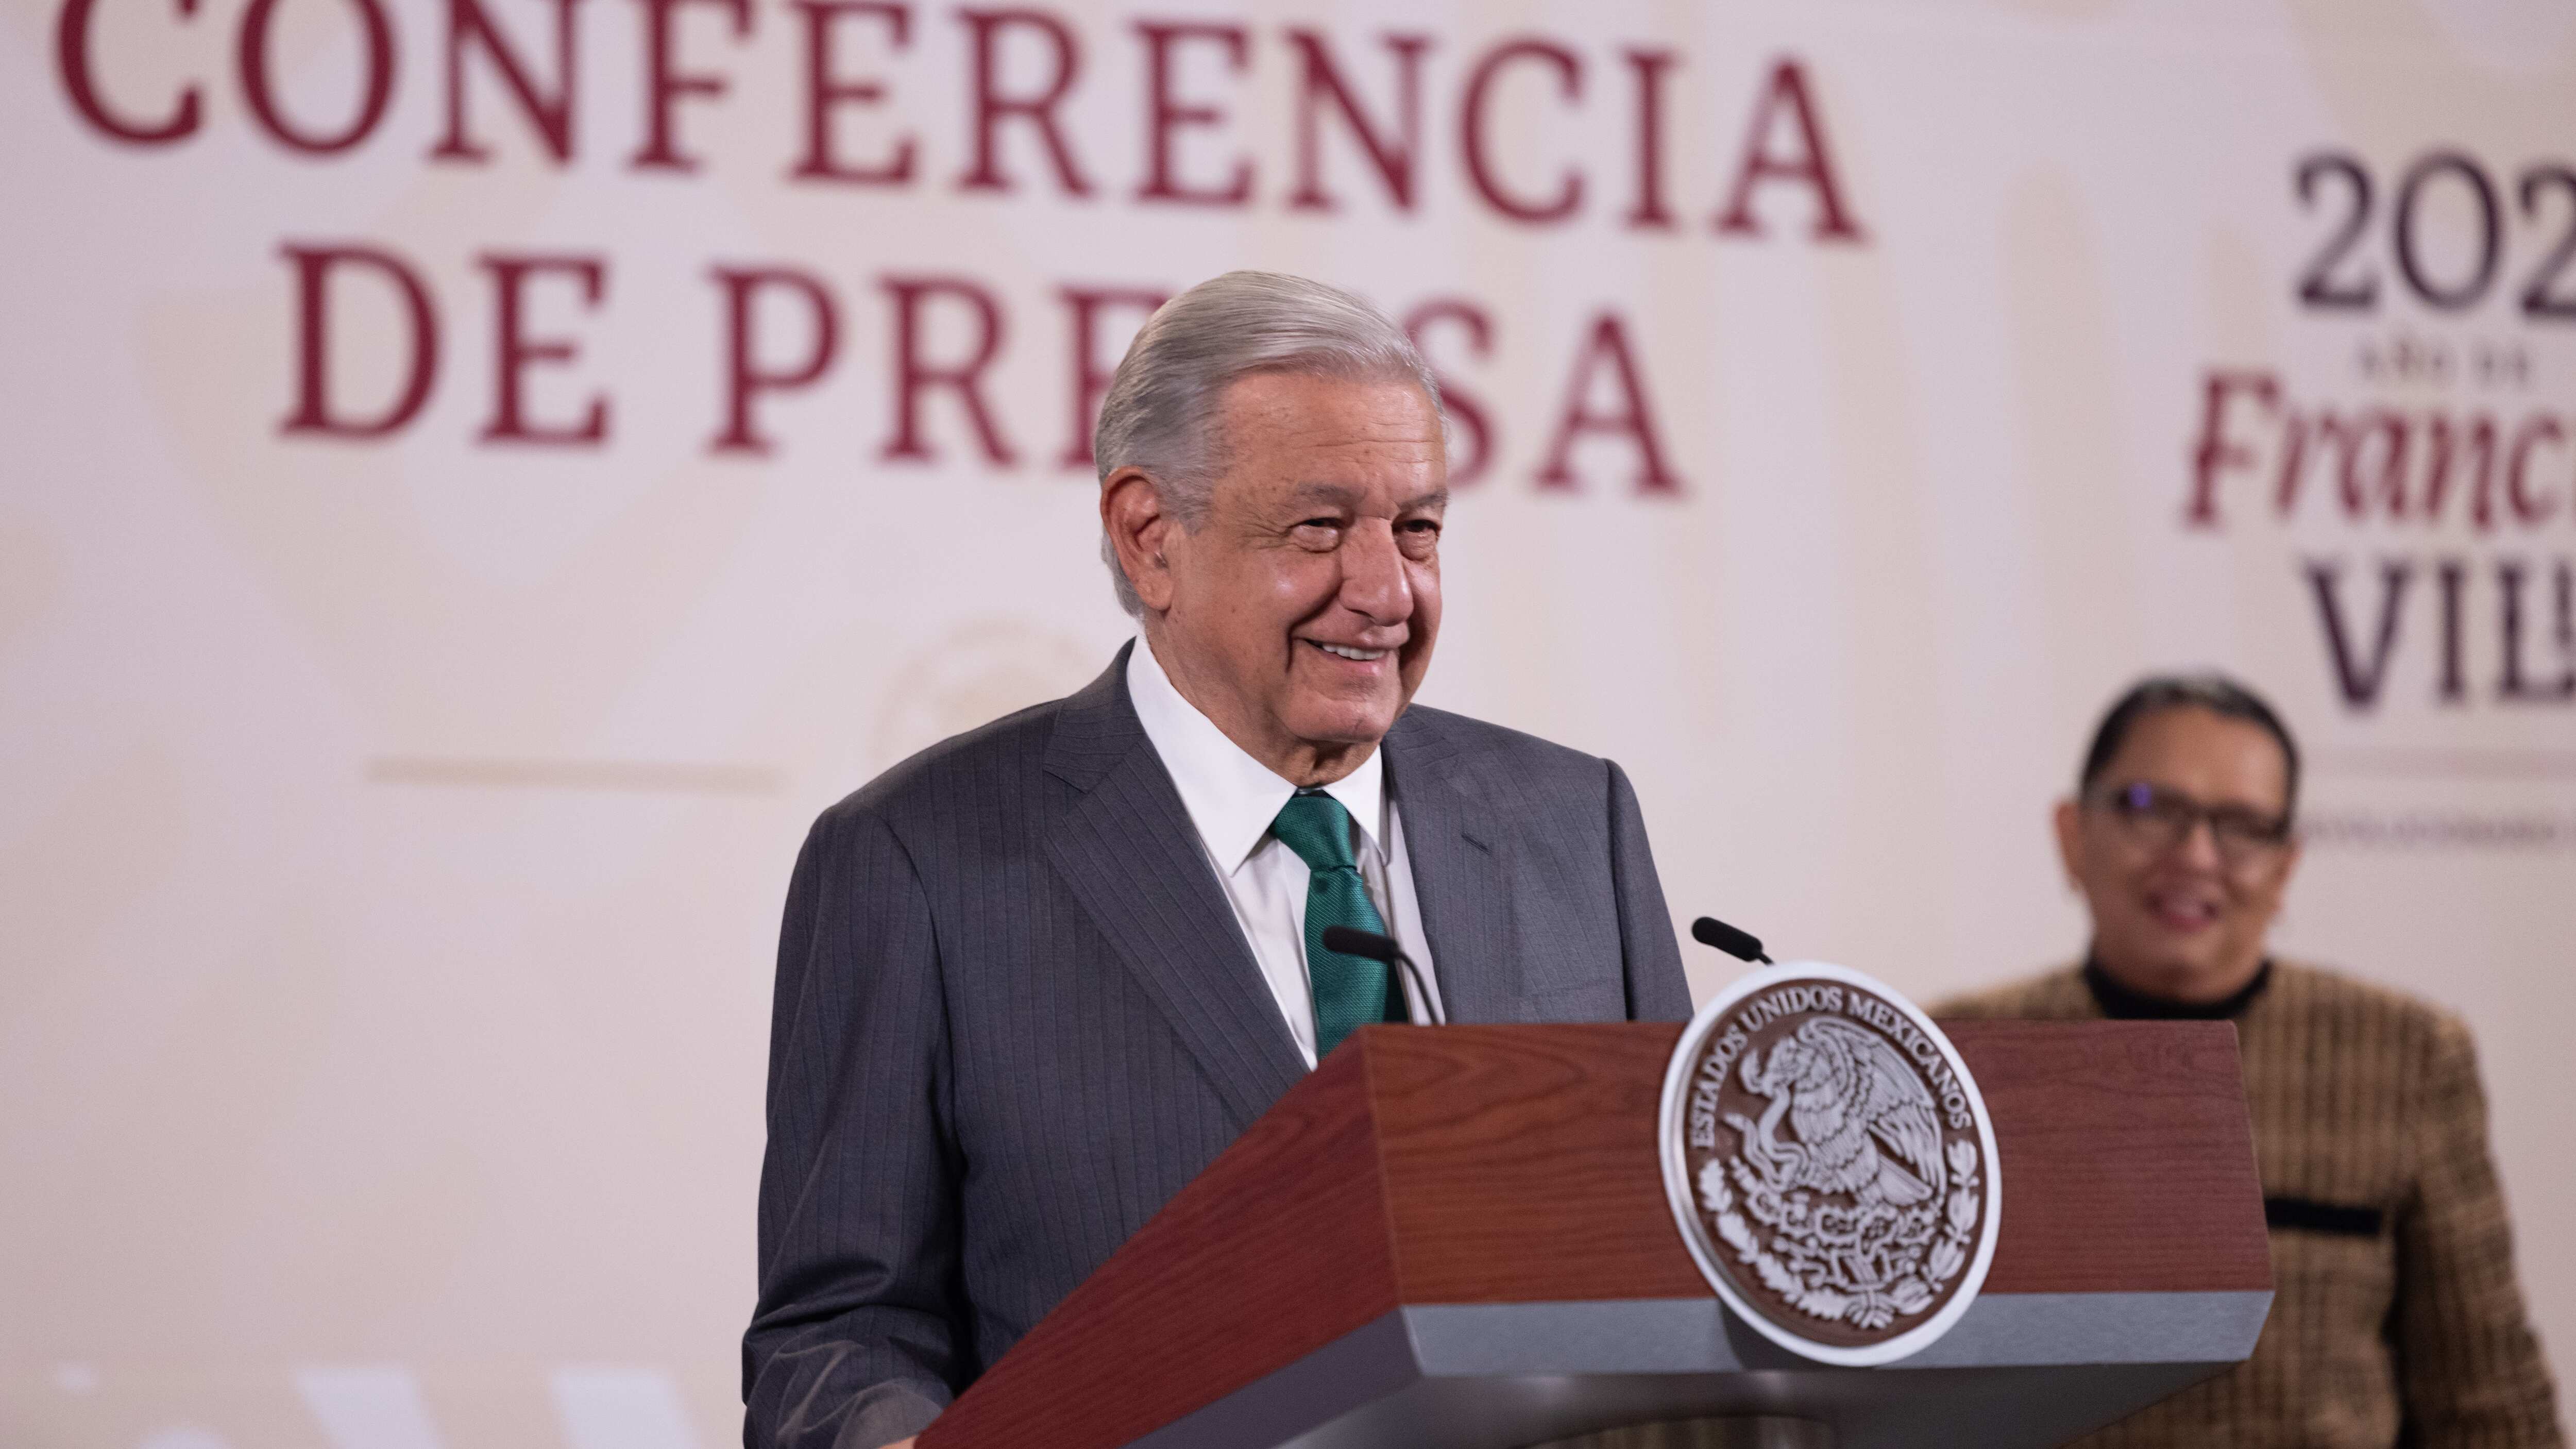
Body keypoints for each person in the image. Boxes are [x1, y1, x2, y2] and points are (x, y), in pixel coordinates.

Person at [743, 271, 1694, 1449]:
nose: (1388, 588)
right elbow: (837, 1338)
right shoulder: (917, 861)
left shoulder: (1572, 820)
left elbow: (1674, 1271)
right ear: (1151, 538)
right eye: (1319, 527)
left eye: (1418, 527)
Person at [1938, 675, 2563, 1448]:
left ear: (2286, 866)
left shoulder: (2405, 1057)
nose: (2196, 856)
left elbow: (2489, 1404)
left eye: (2242, 825)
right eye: (2151, 809)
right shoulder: (1948, 1060)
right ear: (2073, 834)